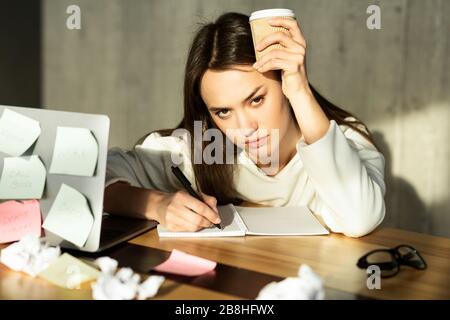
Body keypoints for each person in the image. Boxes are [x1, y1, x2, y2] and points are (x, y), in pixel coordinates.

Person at [103, 12, 385, 238]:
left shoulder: (346, 141)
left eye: (256, 100)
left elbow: (359, 218)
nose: (245, 128)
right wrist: (156, 204)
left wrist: (300, 90)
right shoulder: (203, 150)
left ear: (285, 82)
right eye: (223, 111)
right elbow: (83, 177)